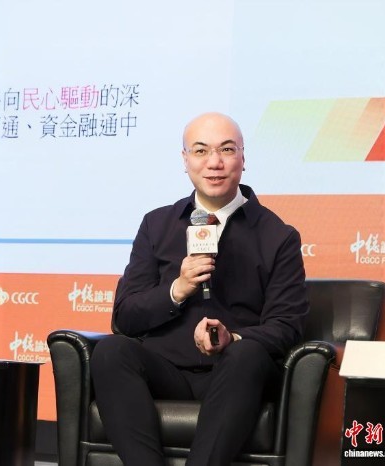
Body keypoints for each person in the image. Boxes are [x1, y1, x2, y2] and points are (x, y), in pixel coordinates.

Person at [91, 112, 309, 466]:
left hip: (235, 375)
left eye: (227, 150)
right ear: (185, 160)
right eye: (201, 151)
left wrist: (232, 339)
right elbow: (125, 317)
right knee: (111, 351)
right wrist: (177, 289)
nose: (214, 162)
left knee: (247, 354)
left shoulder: (278, 236)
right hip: (166, 371)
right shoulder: (156, 225)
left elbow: (286, 326)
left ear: (243, 158)